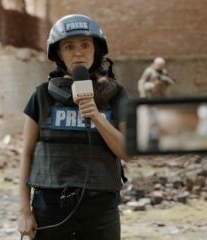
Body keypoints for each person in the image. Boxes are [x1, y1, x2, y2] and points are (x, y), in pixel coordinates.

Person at [17, 14, 130, 240]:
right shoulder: (41, 95)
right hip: (49, 208)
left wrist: (96, 116)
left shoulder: (116, 95)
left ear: (96, 49)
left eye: (85, 45)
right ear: (59, 53)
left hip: (101, 210)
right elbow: (27, 155)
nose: (78, 52)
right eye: (69, 46)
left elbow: (128, 153)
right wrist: (25, 212)